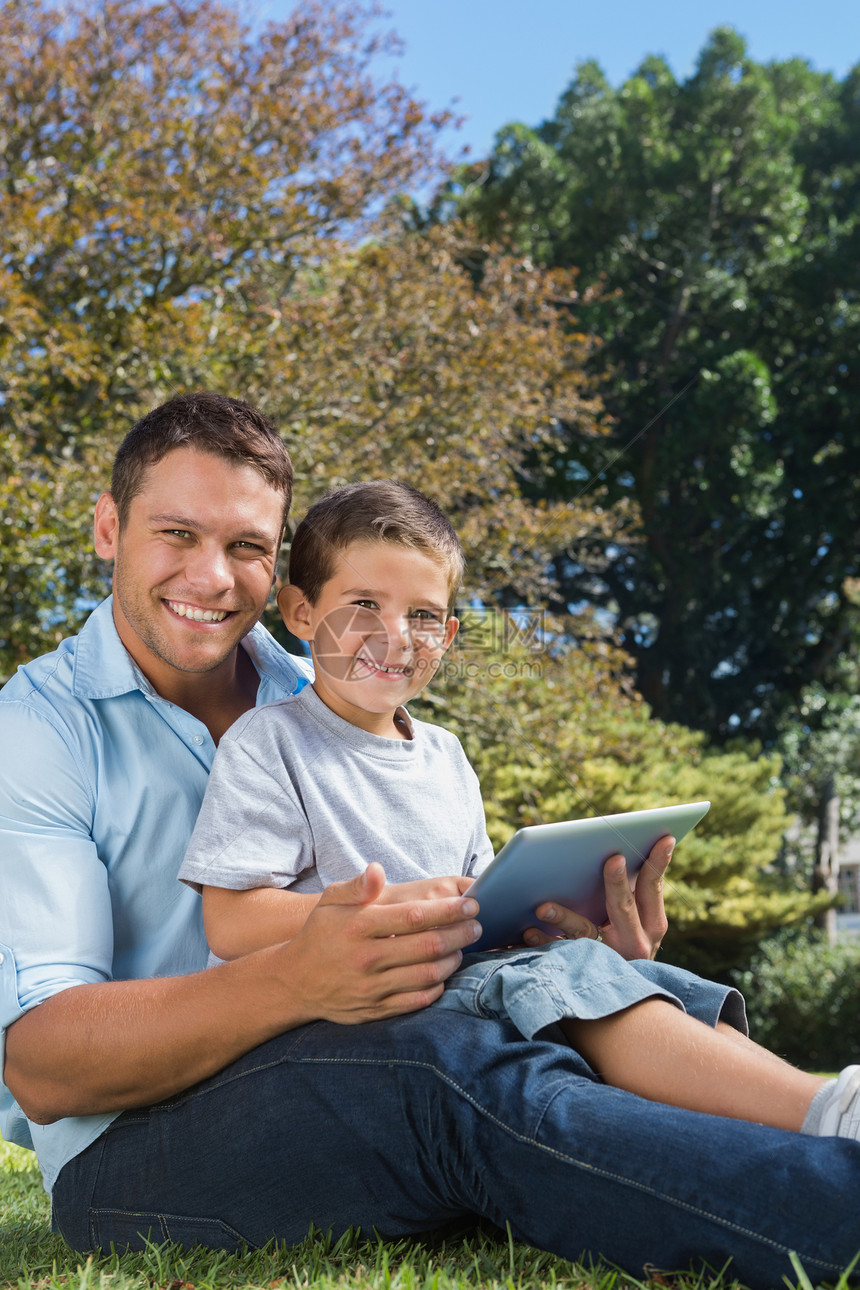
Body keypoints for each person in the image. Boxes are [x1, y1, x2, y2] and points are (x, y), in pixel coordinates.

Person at [0, 392, 858, 1290]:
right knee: (442, 1066)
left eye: (247, 546)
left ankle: (821, 1113)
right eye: (176, 533)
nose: (213, 576)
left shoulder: (339, 692)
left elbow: (460, 900)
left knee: (594, 994)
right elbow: (44, 1069)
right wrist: (296, 977)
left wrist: (564, 939)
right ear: (108, 527)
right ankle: (834, 1209)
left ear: (279, 574)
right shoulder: (39, 732)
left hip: (349, 1057)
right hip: (132, 1154)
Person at [181, 478, 860, 1139]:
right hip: (348, 1020)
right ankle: (827, 1115)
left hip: (459, 988)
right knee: (570, 981)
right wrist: (397, 915)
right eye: (363, 604)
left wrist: (546, 916)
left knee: (638, 975)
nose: (396, 634)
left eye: (421, 615)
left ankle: (817, 1115)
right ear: (301, 613)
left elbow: (486, 908)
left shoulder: (445, 755)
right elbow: (231, 922)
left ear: (446, 634)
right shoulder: (272, 742)